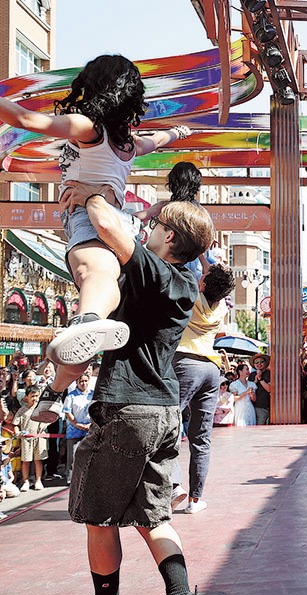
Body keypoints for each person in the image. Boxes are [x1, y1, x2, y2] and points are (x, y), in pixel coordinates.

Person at [0, 56, 192, 419]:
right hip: (121, 225)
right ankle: (55, 390)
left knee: (98, 278)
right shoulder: (128, 145)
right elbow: (157, 139)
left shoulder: (89, 127)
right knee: (103, 301)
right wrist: (177, 134)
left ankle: (86, 322)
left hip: (93, 215)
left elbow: (27, 120)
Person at [61, 186, 214, 595]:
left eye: (155, 224)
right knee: (154, 516)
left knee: (98, 515)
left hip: (129, 407)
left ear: (171, 238)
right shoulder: (184, 284)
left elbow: (108, 224)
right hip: (164, 411)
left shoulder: (157, 272)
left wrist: (91, 192)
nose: (147, 229)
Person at [171, 261, 236, 515]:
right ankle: (195, 500)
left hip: (185, 362)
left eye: (205, 273)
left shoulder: (190, 294)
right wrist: (207, 259)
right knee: (201, 438)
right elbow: (214, 276)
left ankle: (174, 486)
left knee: (170, 425)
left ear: (203, 283)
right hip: (211, 369)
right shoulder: (220, 307)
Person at [13, 385, 47, 491]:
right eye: (32, 396)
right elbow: (15, 424)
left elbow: (49, 420)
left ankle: (38, 480)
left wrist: (43, 426)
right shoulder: (22, 410)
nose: (35, 398)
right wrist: (17, 432)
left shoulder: (42, 409)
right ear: (27, 396)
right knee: (26, 460)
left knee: (38, 460)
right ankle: (26, 481)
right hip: (26, 439)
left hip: (39, 438)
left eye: (37, 396)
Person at [62, 373, 94, 485]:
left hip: (89, 429)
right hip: (74, 430)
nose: (83, 383)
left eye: (85, 381)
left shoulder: (92, 395)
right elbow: (67, 412)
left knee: (89, 455)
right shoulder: (71, 396)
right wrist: (76, 424)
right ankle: (71, 479)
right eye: (81, 381)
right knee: (73, 455)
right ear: (77, 382)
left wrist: (90, 424)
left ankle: (87, 478)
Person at [250, 354, 272, 425]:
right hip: (254, 406)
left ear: (265, 363)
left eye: (261, 362)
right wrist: (255, 381)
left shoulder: (269, 373)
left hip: (266, 406)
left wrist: (260, 378)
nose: (259, 364)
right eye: (256, 362)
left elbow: (269, 389)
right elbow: (249, 389)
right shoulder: (252, 375)